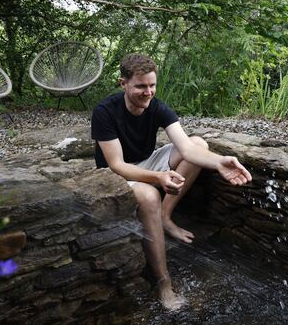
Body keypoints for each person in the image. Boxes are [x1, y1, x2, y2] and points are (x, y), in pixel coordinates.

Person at [91, 53, 252, 311]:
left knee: (200, 143)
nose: (148, 92)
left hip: (146, 160)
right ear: (123, 84)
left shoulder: (157, 107)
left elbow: (188, 149)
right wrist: (158, 177)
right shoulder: (104, 112)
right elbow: (117, 165)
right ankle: (164, 283)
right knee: (148, 196)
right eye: (141, 86)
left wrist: (219, 161)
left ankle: (166, 217)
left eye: (152, 85)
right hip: (116, 173)